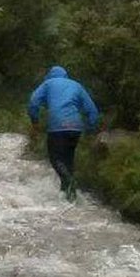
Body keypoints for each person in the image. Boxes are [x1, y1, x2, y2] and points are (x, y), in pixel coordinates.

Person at [27, 65, 100, 201]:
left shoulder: (48, 84)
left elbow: (33, 102)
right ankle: (68, 196)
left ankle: (69, 181)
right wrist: (91, 129)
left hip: (57, 127)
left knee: (56, 158)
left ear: (50, 75)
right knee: (68, 161)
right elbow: (92, 110)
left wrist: (35, 121)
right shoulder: (76, 85)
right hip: (76, 129)